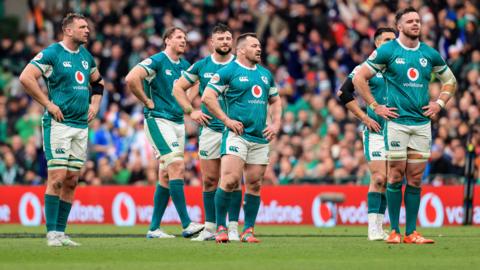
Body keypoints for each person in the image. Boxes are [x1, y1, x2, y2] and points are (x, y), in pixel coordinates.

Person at [353, 7, 457, 244]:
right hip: (397, 123)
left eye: (418, 20)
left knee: (416, 178)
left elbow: (450, 80)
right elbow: (359, 77)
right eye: (409, 21)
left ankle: (411, 232)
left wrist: (439, 104)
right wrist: (375, 105)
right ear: (399, 26)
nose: (415, 24)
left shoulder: (429, 54)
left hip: (421, 124)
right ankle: (394, 231)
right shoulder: (388, 50)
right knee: (395, 176)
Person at [19, 13, 104, 247]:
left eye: (87, 26)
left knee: (72, 180)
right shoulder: (52, 54)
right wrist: (47, 104)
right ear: (68, 30)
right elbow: (26, 77)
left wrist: (94, 105)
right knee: (56, 178)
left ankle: (61, 232)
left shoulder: (86, 56)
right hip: (58, 124)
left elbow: (98, 83)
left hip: (80, 126)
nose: (87, 30)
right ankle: (51, 234)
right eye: (82, 27)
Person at [202, 33, 282, 243]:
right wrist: (226, 120)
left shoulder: (265, 74)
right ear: (242, 50)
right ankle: (221, 227)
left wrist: (275, 124)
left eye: (260, 46)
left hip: (260, 137)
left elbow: (275, 101)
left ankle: (248, 230)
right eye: (254, 46)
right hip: (237, 135)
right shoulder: (228, 71)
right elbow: (207, 97)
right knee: (229, 180)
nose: (259, 49)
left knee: (255, 184)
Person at [125, 27, 204, 239]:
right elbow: (132, 78)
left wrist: (186, 101)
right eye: (179, 37)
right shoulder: (157, 61)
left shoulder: (186, 66)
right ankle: (187, 224)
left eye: (185, 38)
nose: (183, 41)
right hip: (158, 120)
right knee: (177, 166)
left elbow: (195, 85)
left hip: (177, 123)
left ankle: (154, 228)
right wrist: (146, 101)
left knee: (166, 175)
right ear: (167, 40)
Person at [173, 24, 242, 241]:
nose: (225, 42)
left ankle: (232, 227)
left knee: (232, 180)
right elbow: (178, 88)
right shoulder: (202, 65)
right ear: (211, 43)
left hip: (234, 131)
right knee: (210, 180)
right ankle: (211, 227)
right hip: (210, 130)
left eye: (228, 38)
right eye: (220, 38)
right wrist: (190, 111)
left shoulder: (241, 65)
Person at [338, 27, 396, 241]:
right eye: (387, 39)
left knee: (391, 179)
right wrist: (364, 117)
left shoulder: (400, 67)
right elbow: (343, 92)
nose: (392, 43)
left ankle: (382, 227)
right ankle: (373, 228)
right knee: (379, 177)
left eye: (394, 39)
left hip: (399, 132)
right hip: (377, 130)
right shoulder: (365, 68)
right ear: (377, 44)